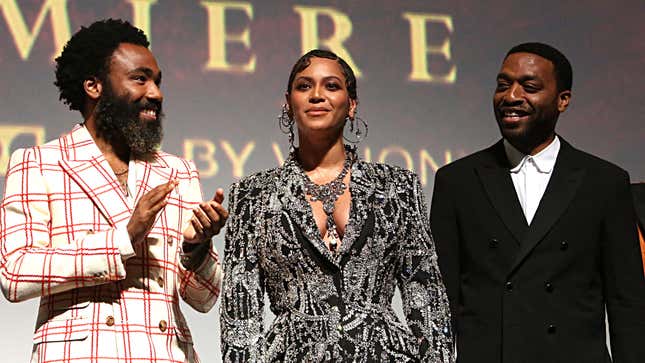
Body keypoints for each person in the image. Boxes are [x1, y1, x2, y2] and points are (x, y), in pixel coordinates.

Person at [0, 19, 227, 362]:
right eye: (140, 79)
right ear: (94, 86)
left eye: (157, 81)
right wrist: (122, 238)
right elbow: (15, 273)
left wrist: (196, 249)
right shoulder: (40, 163)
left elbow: (204, 298)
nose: (156, 93)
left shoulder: (177, 171)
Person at [220, 49, 454, 362]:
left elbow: (427, 302)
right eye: (304, 86)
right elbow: (240, 317)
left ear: (352, 105)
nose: (317, 95)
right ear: (288, 104)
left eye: (331, 86)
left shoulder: (396, 188)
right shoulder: (253, 195)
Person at [430, 42, 645, 362]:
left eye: (528, 86)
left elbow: (627, 304)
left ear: (563, 100)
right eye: (503, 85)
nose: (511, 96)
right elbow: (438, 301)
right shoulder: (457, 181)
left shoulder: (604, 182)